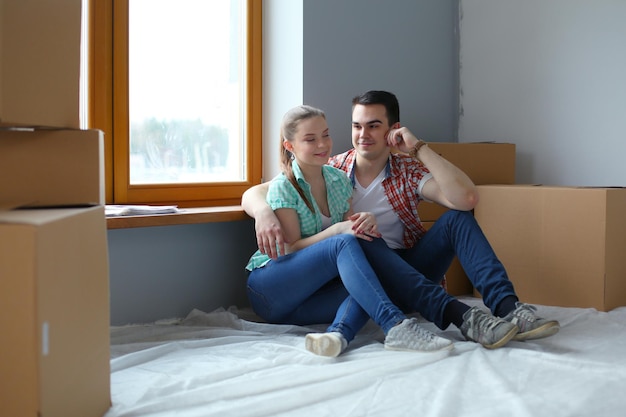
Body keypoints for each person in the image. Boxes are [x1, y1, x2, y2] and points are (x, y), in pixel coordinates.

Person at [242, 90, 559, 349]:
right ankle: (462, 318)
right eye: (356, 126)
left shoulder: (405, 170)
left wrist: (418, 149)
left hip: (406, 265)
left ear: (392, 129)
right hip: (363, 267)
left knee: (457, 219)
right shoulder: (332, 167)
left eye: (373, 125)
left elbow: (467, 198)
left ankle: (508, 308)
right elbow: (262, 190)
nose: (362, 135)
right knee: (361, 239)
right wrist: (263, 211)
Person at [245, 104, 454, 357]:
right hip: (271, 289)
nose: (322, 145)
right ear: (290, 146)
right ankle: (395, 325)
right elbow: (290, 248)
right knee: (343, 241)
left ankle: (339, 334)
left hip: (304, 303)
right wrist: (338, 230)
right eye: (311, 139)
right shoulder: (284, 186)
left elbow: (351, 235)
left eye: (326, 135)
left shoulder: (339, 180)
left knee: (368, 280)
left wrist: (364, 221)